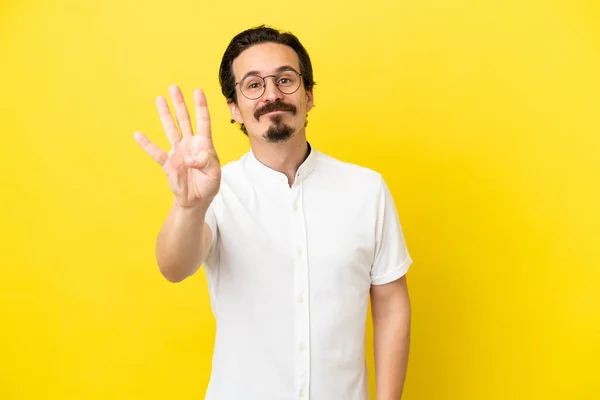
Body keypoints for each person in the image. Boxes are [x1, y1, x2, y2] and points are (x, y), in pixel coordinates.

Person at [133, 25, 413, 400]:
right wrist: (189, 206)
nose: (272, 95)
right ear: (235, 107)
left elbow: (392, 305)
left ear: (309, 95)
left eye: (285, 79)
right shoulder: (217, 192)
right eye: (253, 85)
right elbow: (173, 267)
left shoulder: (367, 190)